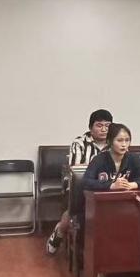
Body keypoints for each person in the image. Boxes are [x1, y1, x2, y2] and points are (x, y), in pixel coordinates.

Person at [47, 108, 114, 254]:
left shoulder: (114, 143)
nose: (104, 129)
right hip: (78, 186)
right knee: (75, 210)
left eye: (107, 126)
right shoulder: (79, 143)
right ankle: (60, 231)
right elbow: (77, 171)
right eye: (99, 125)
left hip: (105, 186)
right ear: (90, 127)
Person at [82, 124, 140, 194]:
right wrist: (111, 185)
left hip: (128, 199)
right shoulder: (99, 159)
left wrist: (133, 184)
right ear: (109, 141)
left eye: (127, 140)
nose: (124, 145)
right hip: (104, 200)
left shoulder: (134, 158)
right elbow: (86, 182)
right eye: (119, 140)